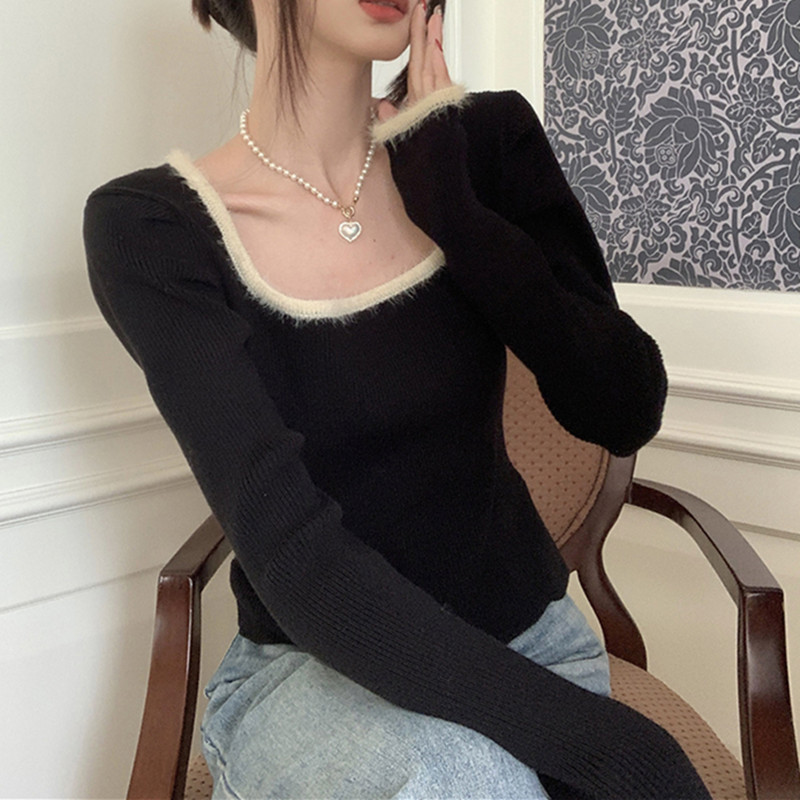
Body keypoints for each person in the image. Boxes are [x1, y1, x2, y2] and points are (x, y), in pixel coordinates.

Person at [82, 0, 713, 798]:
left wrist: (455, 210)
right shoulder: (153, 228)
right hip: (314, 675)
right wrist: (609, 748)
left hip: (535, 646)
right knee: (464, 781)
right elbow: (296, 557)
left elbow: (622, 407)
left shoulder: (482, 144)